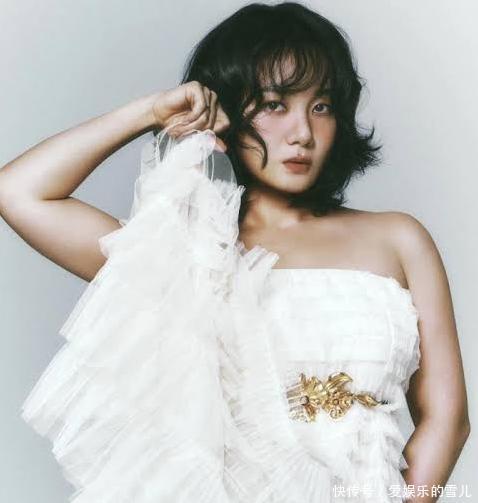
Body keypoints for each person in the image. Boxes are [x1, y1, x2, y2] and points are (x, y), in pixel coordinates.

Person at [0, 2, 470, 502]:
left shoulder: (399, 239)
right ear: (226, 107)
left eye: (322, 106)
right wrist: (153, 112)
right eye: (274, 105)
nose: (303, 133)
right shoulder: (185, 251)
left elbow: (448, 418)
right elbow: (20, 193)